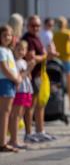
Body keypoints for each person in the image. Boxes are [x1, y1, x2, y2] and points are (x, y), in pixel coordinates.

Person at [22, 15, 54, 143]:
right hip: (32, 76)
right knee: (30, 106)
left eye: (38, 25)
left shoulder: (36, 38)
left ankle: (40, 131)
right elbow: (32, 58)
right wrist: (45, 55)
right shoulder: (28, 39)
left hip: (39, 75)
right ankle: (28, 133)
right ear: (27, 26)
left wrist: (44, 56)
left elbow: (39, 56)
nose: (36, 28)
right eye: (33, 25)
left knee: (40, 105)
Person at [8, 41, 35, 149]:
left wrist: (29, 69)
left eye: (23, 49)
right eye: (18, 49)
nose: (20, 52)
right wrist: (28, 69)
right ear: (14, 49)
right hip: (19, 91)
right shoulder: (14, 62)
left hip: (25, 90)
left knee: (20, 116)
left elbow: (28, 77)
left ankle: (14, 138)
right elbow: (18, 77)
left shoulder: (23, 61)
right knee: (15, 115)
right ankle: (13, 140)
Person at [0, 25, 21, 153]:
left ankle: (4, 140)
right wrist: (15, 79)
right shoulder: (1, 50)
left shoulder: (8, 51)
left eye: (9, 35)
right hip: (5, 82)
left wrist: (17, 78)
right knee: (4, 113)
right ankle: (2, 143)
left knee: (7, 112)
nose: (7, 37)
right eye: (4, 35)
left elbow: (13, 68)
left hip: (10, 82)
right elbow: (5, 69)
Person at [53, 16, 70, 110]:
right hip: (67, 59)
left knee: (57, 83)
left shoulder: (55, 33)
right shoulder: (68, 32)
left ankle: (58, 102)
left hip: (58, 59)